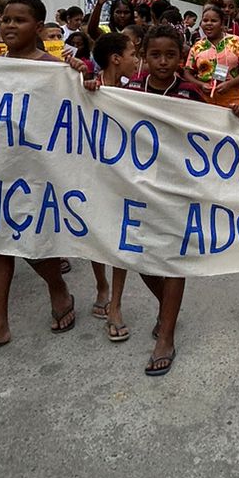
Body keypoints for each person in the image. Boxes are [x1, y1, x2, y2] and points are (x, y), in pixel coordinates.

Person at [0, 0, 77, 365]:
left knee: (35, 244)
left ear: (38, 28)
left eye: (20, 20)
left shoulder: (55, 69)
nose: (9, 26)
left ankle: (58, 287)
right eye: (4, 19)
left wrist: (82, 78)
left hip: (38, 171)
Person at [125, 23, 213, 376]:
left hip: (178, 187)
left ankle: (167, 335)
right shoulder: (128, 90)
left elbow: (216, 129)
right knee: (140, 257)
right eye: (155, 55)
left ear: (182, 57)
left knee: (173, 259)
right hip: (137, 185)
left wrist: (236, 118)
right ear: (144, 55)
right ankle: (167, 310)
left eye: (171, 55)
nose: (163, 62)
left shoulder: (191, 93)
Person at [81, 31, 143, 340]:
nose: (137, 59)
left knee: (119, 237)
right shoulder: (87, 88)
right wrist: (85, 88)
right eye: (133, 53)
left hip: (123, 175)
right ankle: (101, 284)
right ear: (116, 58)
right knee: (97, 234)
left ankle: (115, 303)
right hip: (91, 174)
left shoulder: (135, 91)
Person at [186, 4, 239, 106]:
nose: (209, 24)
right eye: (205, 20)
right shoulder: (197, 47)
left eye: (213, 21)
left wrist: (229, 84)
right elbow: (187, 74)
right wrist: (201, 84)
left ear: (222, 24)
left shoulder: (235, 41)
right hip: (203, 101)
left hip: (232, 101)